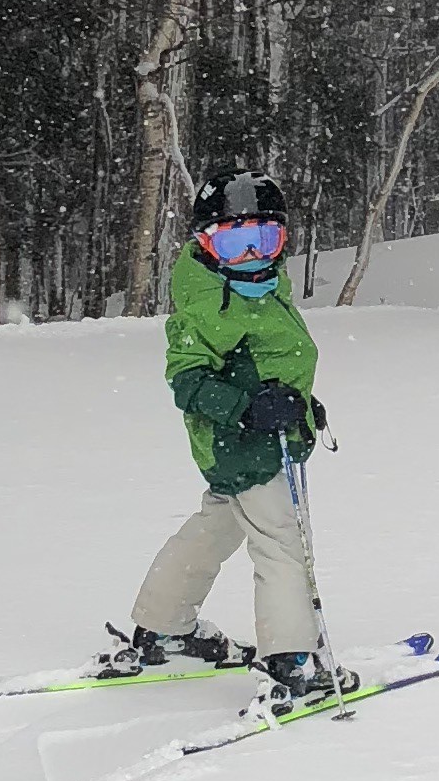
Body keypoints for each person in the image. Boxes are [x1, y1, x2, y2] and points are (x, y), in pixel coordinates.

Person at [106, 168, 333, 693]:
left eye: (265, 238)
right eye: (234, 242)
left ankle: (162, 627)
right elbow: (186, 380)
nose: (252, 256)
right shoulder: (211, 302)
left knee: (219, 525)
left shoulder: (264, 289)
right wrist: (249, 409)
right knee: (281, 542)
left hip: (253, 440)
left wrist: (300, 404)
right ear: (205, 245)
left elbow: (269, 360)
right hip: (245, 444)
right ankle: (291, 658)